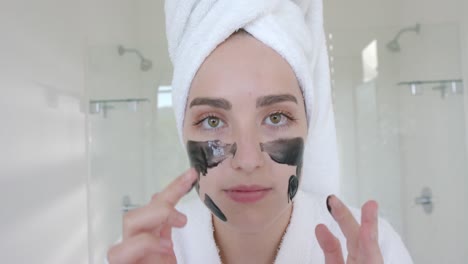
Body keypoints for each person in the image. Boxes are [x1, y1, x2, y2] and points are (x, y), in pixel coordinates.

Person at [107, 0, 413, 263]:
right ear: (182, 131)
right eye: (213, 121)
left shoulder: (374, 249)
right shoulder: (148, 254)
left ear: (309, 126)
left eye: (277, 117)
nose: (249, 160)